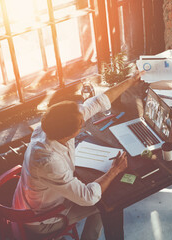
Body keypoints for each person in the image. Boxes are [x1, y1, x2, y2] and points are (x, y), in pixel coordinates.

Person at [12, 72, 142, 240]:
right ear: (69, 134)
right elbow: (88, 197)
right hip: (41, 220)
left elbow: (97, 102)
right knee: (107, 203)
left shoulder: (47, 128)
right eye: (81, 125)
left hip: (27, 201)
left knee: (99, 189)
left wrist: (130, 81)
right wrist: (114, 171)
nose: (84, 121)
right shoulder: (49, 162)